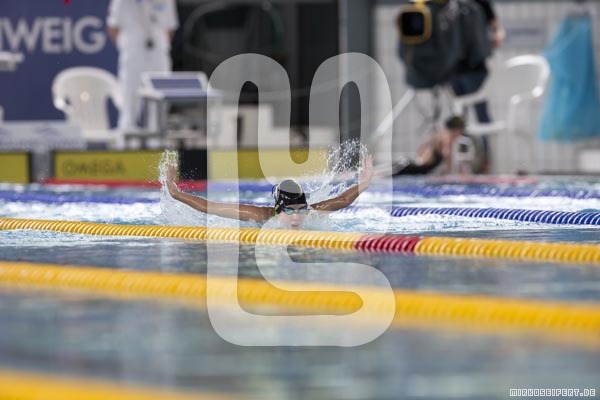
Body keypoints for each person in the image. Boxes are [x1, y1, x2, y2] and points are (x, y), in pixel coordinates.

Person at [165, 156, 374, 230]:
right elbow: (210, 207)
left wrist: (364, 183)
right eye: (289, 211)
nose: (296, 217)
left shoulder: (310, 213)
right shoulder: (260, 216)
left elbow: (342, 199)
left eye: (300, 209)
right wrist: (176, 193)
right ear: (278, 209)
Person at [106, 0, 179, 145]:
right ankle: (127, 147)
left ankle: (157, 146)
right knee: (129, 101)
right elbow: (113, 27)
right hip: (134, 53)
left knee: (159, 103)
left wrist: (158, 44)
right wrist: (127, 46)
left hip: (158, 53)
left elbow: (170, 28)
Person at [450, 0, 504, 172]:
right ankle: (463, 162)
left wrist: (496, 35)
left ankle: (486, 160)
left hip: (474, 67)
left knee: (481, 115)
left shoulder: (479, 3)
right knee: (459, 120)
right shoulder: (449, 5)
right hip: (454, 69)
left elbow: (495, 25)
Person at [392, 115, 475, 176]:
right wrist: (452, 175)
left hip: (410, 164)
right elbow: (447, 155)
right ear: (456, 129)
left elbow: (422, 148)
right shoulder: (448, 138)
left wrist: (423, 159)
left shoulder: (439, 134)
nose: (461, 133)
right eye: (461, 130)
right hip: (414, 169)